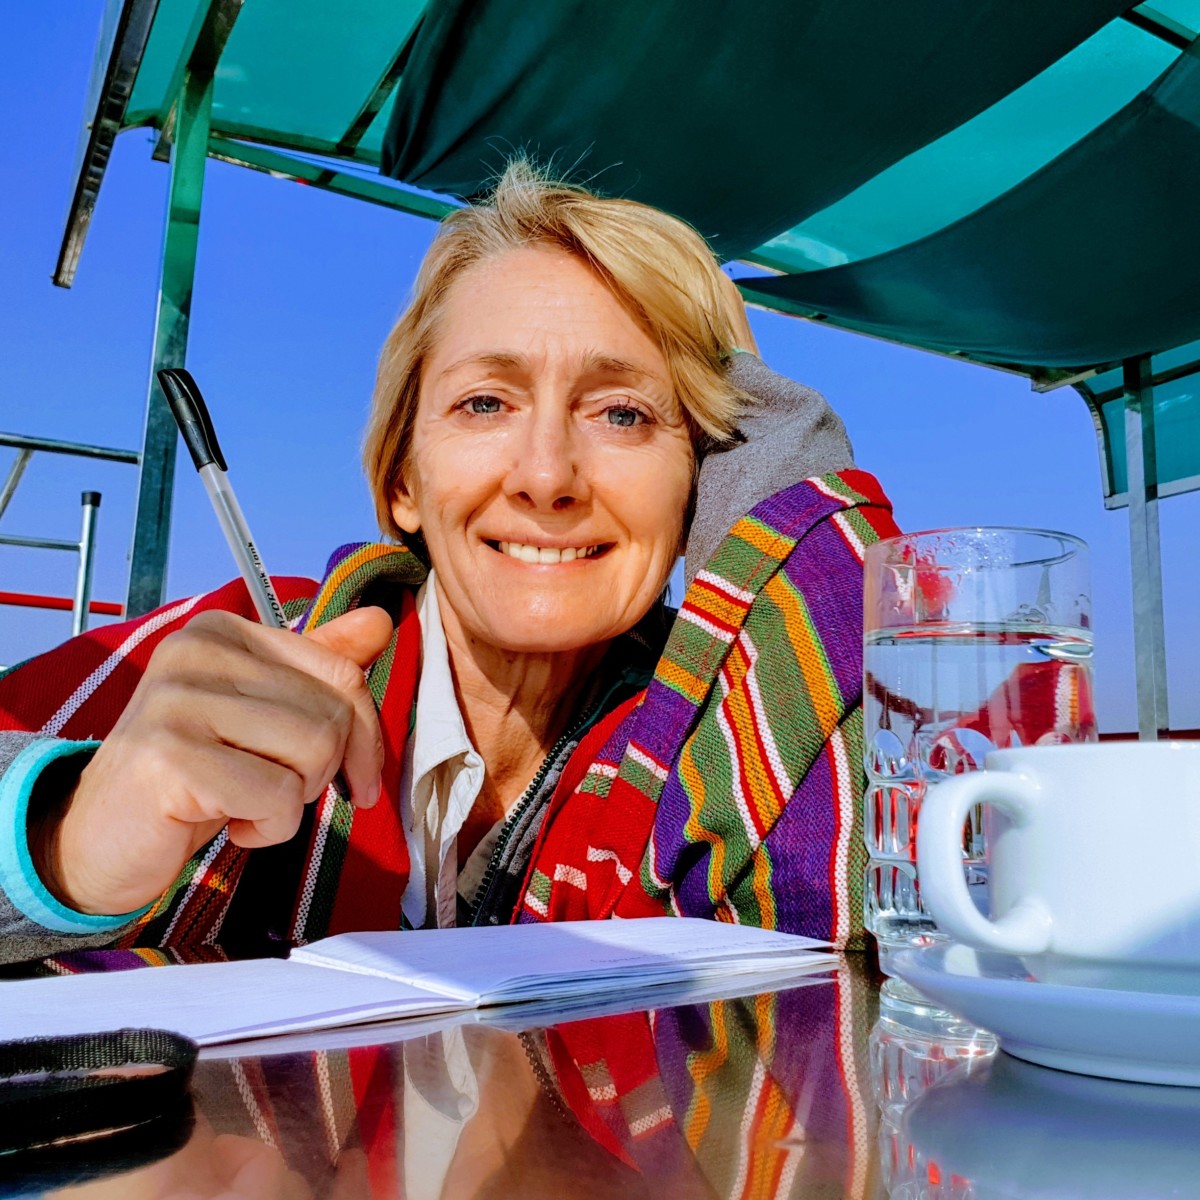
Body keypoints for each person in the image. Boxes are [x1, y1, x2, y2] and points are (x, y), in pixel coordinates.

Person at [0, 163, 898, 963]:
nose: (546, 476)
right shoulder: (218, 660)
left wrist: (775, 438)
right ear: (402, 480)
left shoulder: (715, 737)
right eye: (484, 404)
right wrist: (62, 842)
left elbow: (876, 890)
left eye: (622, 414)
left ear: (700, 481)